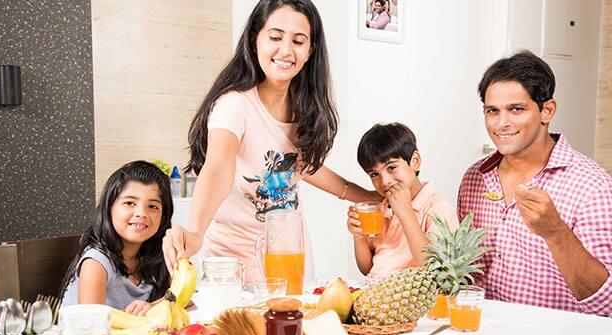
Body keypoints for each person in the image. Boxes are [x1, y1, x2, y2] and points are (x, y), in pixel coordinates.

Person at [162, 0, 380, 282]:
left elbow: (304, 167)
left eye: (298, 41)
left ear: (310, 51)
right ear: (255, 39)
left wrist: (372, 197)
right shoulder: (234, 106)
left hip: (291, 259)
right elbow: (217, 168)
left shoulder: (304, 108)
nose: (286, 50)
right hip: (232, 265)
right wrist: (195, 231)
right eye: (275, 37)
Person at [458, 50, 612, 316]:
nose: (502, 123)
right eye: (492, 111)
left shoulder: (592, 186)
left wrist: (556, 233)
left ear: (547, 110)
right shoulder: (474, 179)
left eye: (516, 109)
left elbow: (606, 304)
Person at [60, 161, 173, 316]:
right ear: (109, 208)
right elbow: (92, 323)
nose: (141, 213)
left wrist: (152, 307)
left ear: (164, 216)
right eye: (129, 203)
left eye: (152, 206)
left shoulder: (157, 257)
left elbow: (185, 299)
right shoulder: (96, 262)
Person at [347, 123, 458, 277]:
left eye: (391, 168)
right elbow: (368, 269)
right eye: (374, 174)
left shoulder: (438, 209)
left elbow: (435, 273)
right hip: (377, 292)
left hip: (414, 298)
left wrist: (406, 212)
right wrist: (358, 237)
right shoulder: (381, 208)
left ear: (415, 161)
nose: (384, 181)